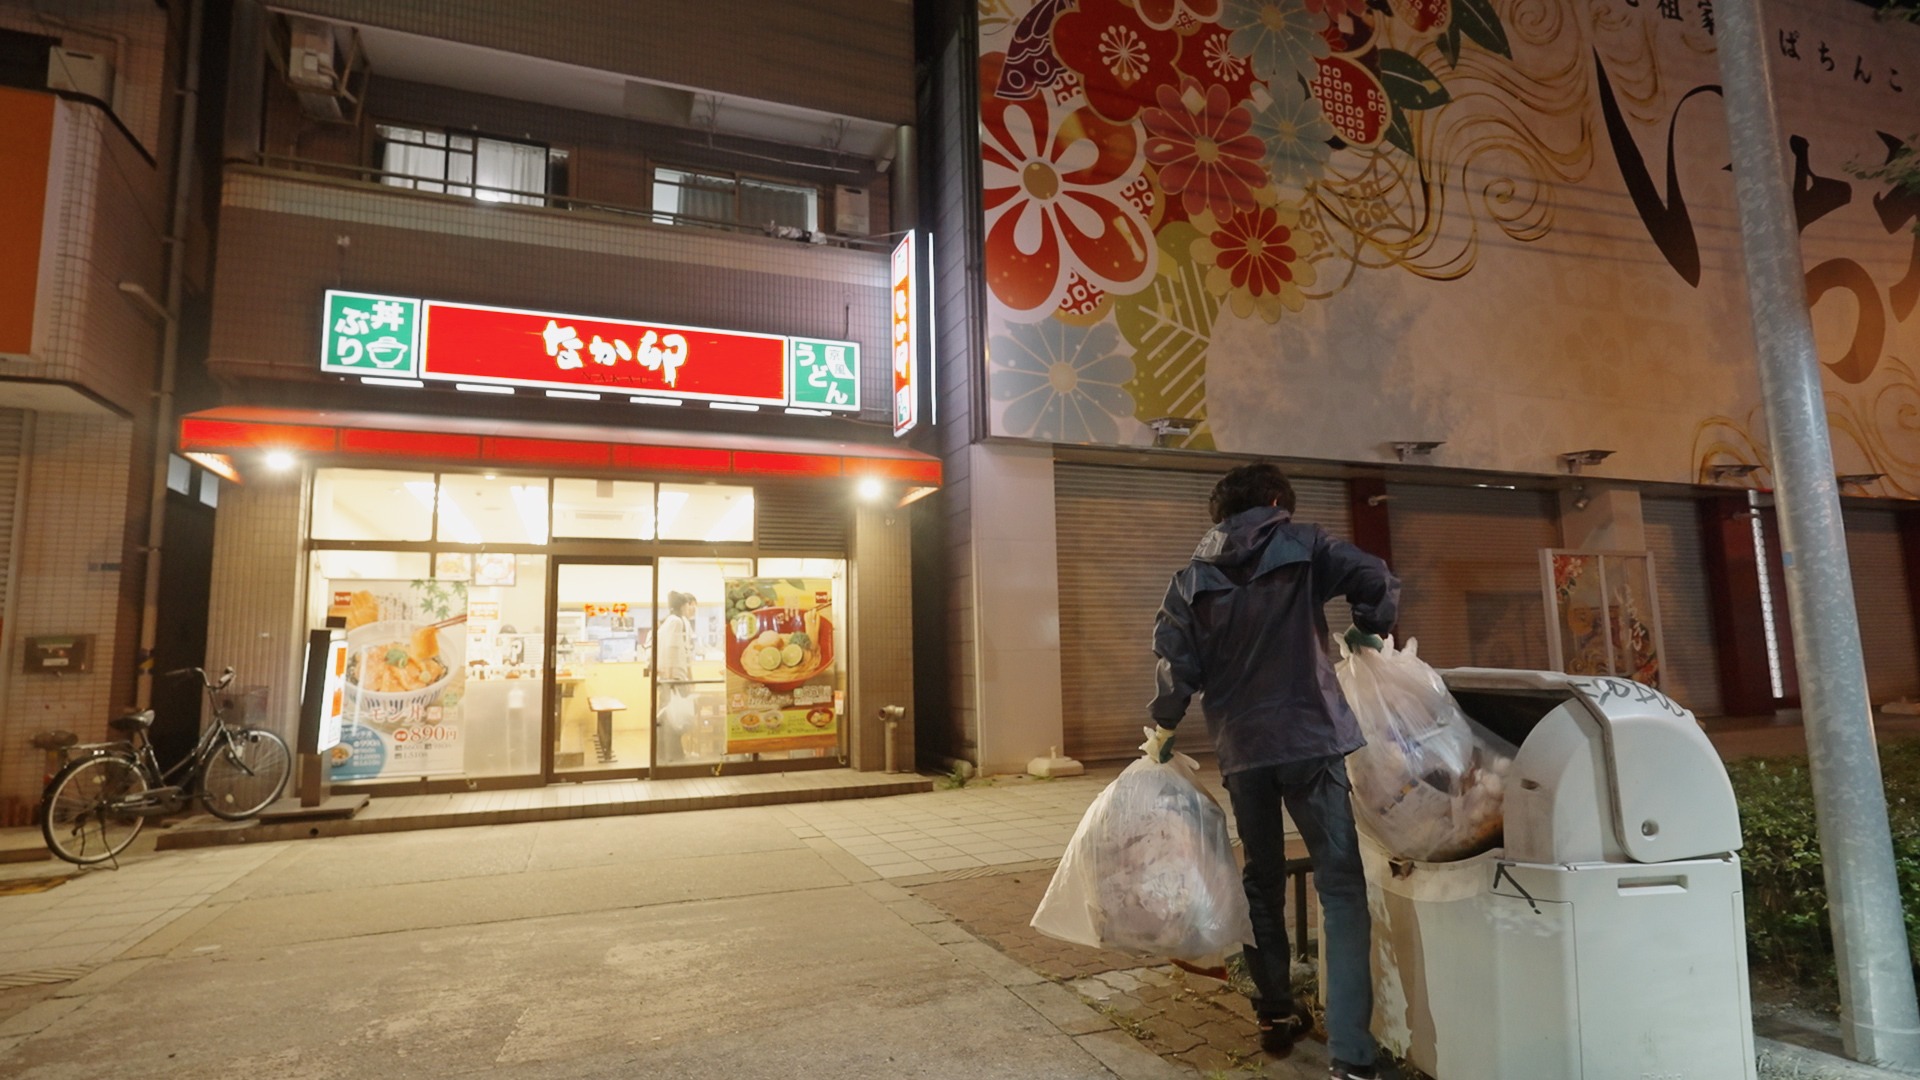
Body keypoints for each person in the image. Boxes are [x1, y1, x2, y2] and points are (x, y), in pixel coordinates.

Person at [1146, 463, 1400, 1080]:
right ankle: (1353, 1056)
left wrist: (1164, 727)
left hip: (1242, 749)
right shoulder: (1305, 545)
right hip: (1311, 739)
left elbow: (1174, 665)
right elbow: (1376, 578)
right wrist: (1368, 629)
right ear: (1274, 500)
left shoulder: (1190, 579)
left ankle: (1277, 1014)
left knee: (1261, 878)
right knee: (1339, 888)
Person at [655, 591, 697, 763]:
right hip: (674, 679)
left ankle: (667, 754)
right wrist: (673, 678)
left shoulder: (667, 622)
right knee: (676, 718)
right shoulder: (678, 622)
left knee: (667, 717)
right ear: (683, 605)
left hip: (668, 678)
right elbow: (673, 649)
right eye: (690, 604)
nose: (692, 609)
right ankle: (674, 756)